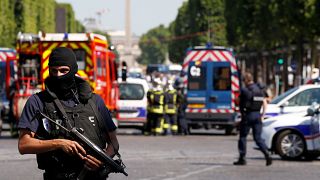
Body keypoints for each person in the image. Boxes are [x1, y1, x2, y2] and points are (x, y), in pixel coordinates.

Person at [17, 47, 120, 180]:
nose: (58, 75)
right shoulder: (37, 102)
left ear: (73, 70)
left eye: (64, 70)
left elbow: (114, 143)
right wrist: (59, 143)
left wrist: (101, 159)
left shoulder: (95, 102)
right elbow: (23, 145)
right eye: (54, 71)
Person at [234, 72, 272, 166]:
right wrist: (262, 115)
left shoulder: (245, 90)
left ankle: (242, 158)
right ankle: (267, 153)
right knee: (258, 138)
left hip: (248, 115)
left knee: (243, 137)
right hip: (257, 115)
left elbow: (238, 102)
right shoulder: (259, 90)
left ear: (246, 80)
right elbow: (264, 102)